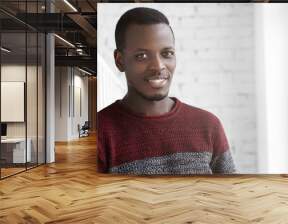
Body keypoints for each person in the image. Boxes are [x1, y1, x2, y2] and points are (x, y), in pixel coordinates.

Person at [97, 7, 236, 175]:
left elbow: (230, 195)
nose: (158, 66)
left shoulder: (208, 125)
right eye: (141, 56)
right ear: (120, 61)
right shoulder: (101, 131)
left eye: (167, 53)